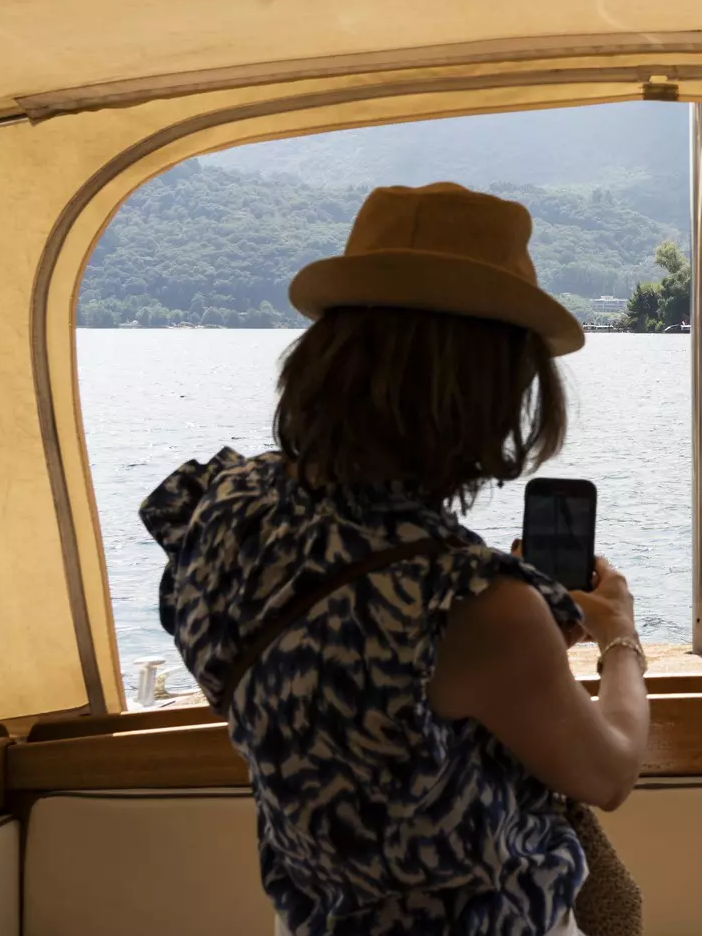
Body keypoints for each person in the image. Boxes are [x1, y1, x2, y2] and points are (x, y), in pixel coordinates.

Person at [141, 182, 649, 936]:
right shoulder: (473, 603)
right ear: (489, 389)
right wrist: (619, 636)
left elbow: (331, 689)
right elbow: (608, 770)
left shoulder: (221, 507)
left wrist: (513, 654)